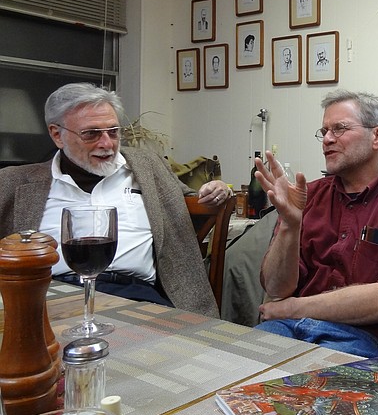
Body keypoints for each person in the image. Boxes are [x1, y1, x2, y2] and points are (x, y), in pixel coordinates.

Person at [0, 83, 231, 317]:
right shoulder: (14, 182)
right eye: (91, 133)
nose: (107, 144)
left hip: (135, 294)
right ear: (57, 134)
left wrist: (216, 190)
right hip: (49, 297)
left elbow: (189, 201)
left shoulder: (147, 166)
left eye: (113, 131)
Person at [253, 90, 378, 358]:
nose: (327, 139)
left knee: (311, 384)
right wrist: (289, 224)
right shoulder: (309, 195)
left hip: (372, 340)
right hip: (293, 328)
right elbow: (275, 289)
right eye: (324, 131)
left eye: (340, 129)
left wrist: (292, 308)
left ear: (377, 136)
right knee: (241, 367)